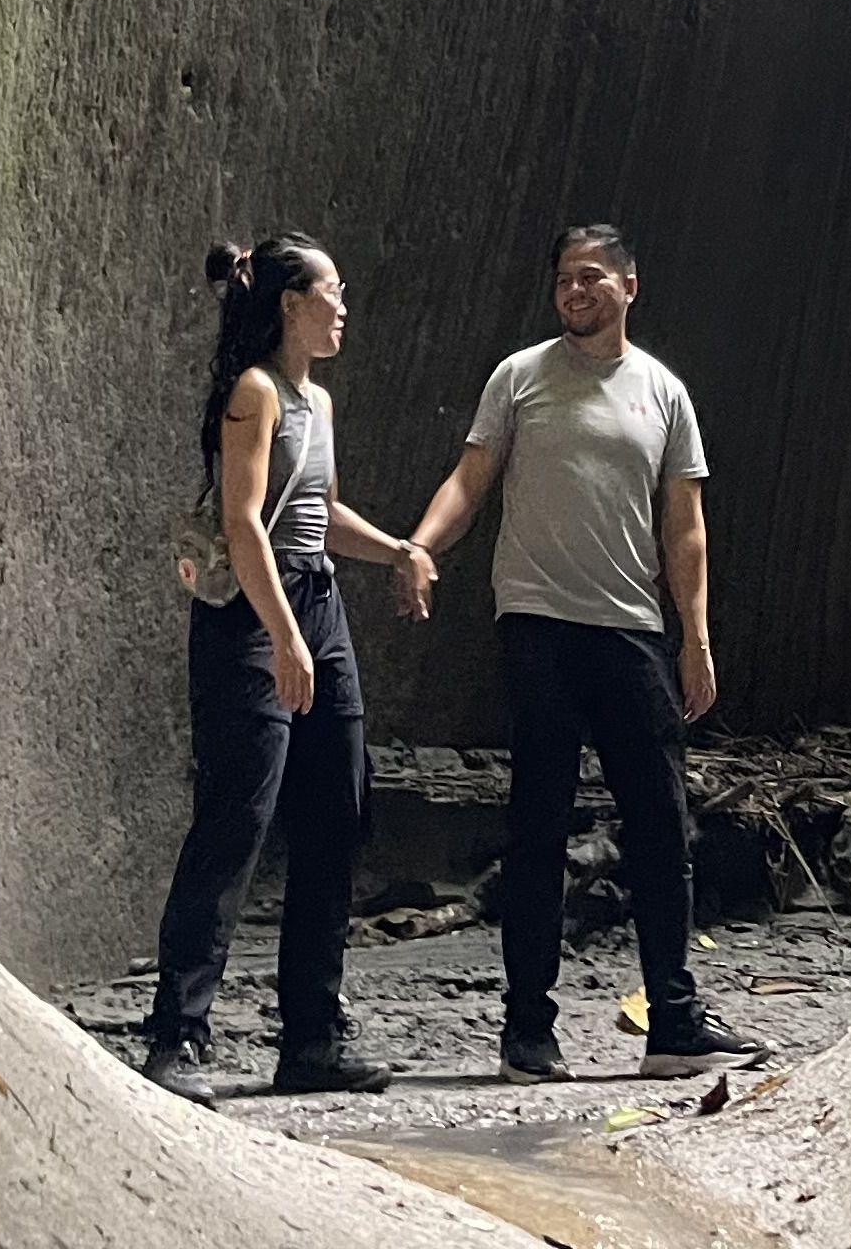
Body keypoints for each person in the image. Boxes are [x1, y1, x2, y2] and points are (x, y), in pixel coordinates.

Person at [402, 223, 768, 1083]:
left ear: (629, 287)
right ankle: (528, 1029)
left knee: (658, 827)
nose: (575, 291)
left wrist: (696, 639)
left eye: (592, 277)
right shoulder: (521, 378)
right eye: (565, 278)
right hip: (538, 625)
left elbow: (686, 529)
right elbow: (470, 478)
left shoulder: (663, 394)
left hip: (633, 630)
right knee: (538, 826)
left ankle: (672, 1022)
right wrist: (423, 546)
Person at [140, 232, 437, 1101]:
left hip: (317, 602)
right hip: (250, 618)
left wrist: (400, 552)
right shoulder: (254, 394)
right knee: (238, 816)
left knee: (336, 812)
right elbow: (242, 523)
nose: (344, 307)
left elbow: (321, 513)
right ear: (289, 305)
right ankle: (176, 1035)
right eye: (332, 292)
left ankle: (310, 1036)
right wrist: (283, 637)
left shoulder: (320, 402)